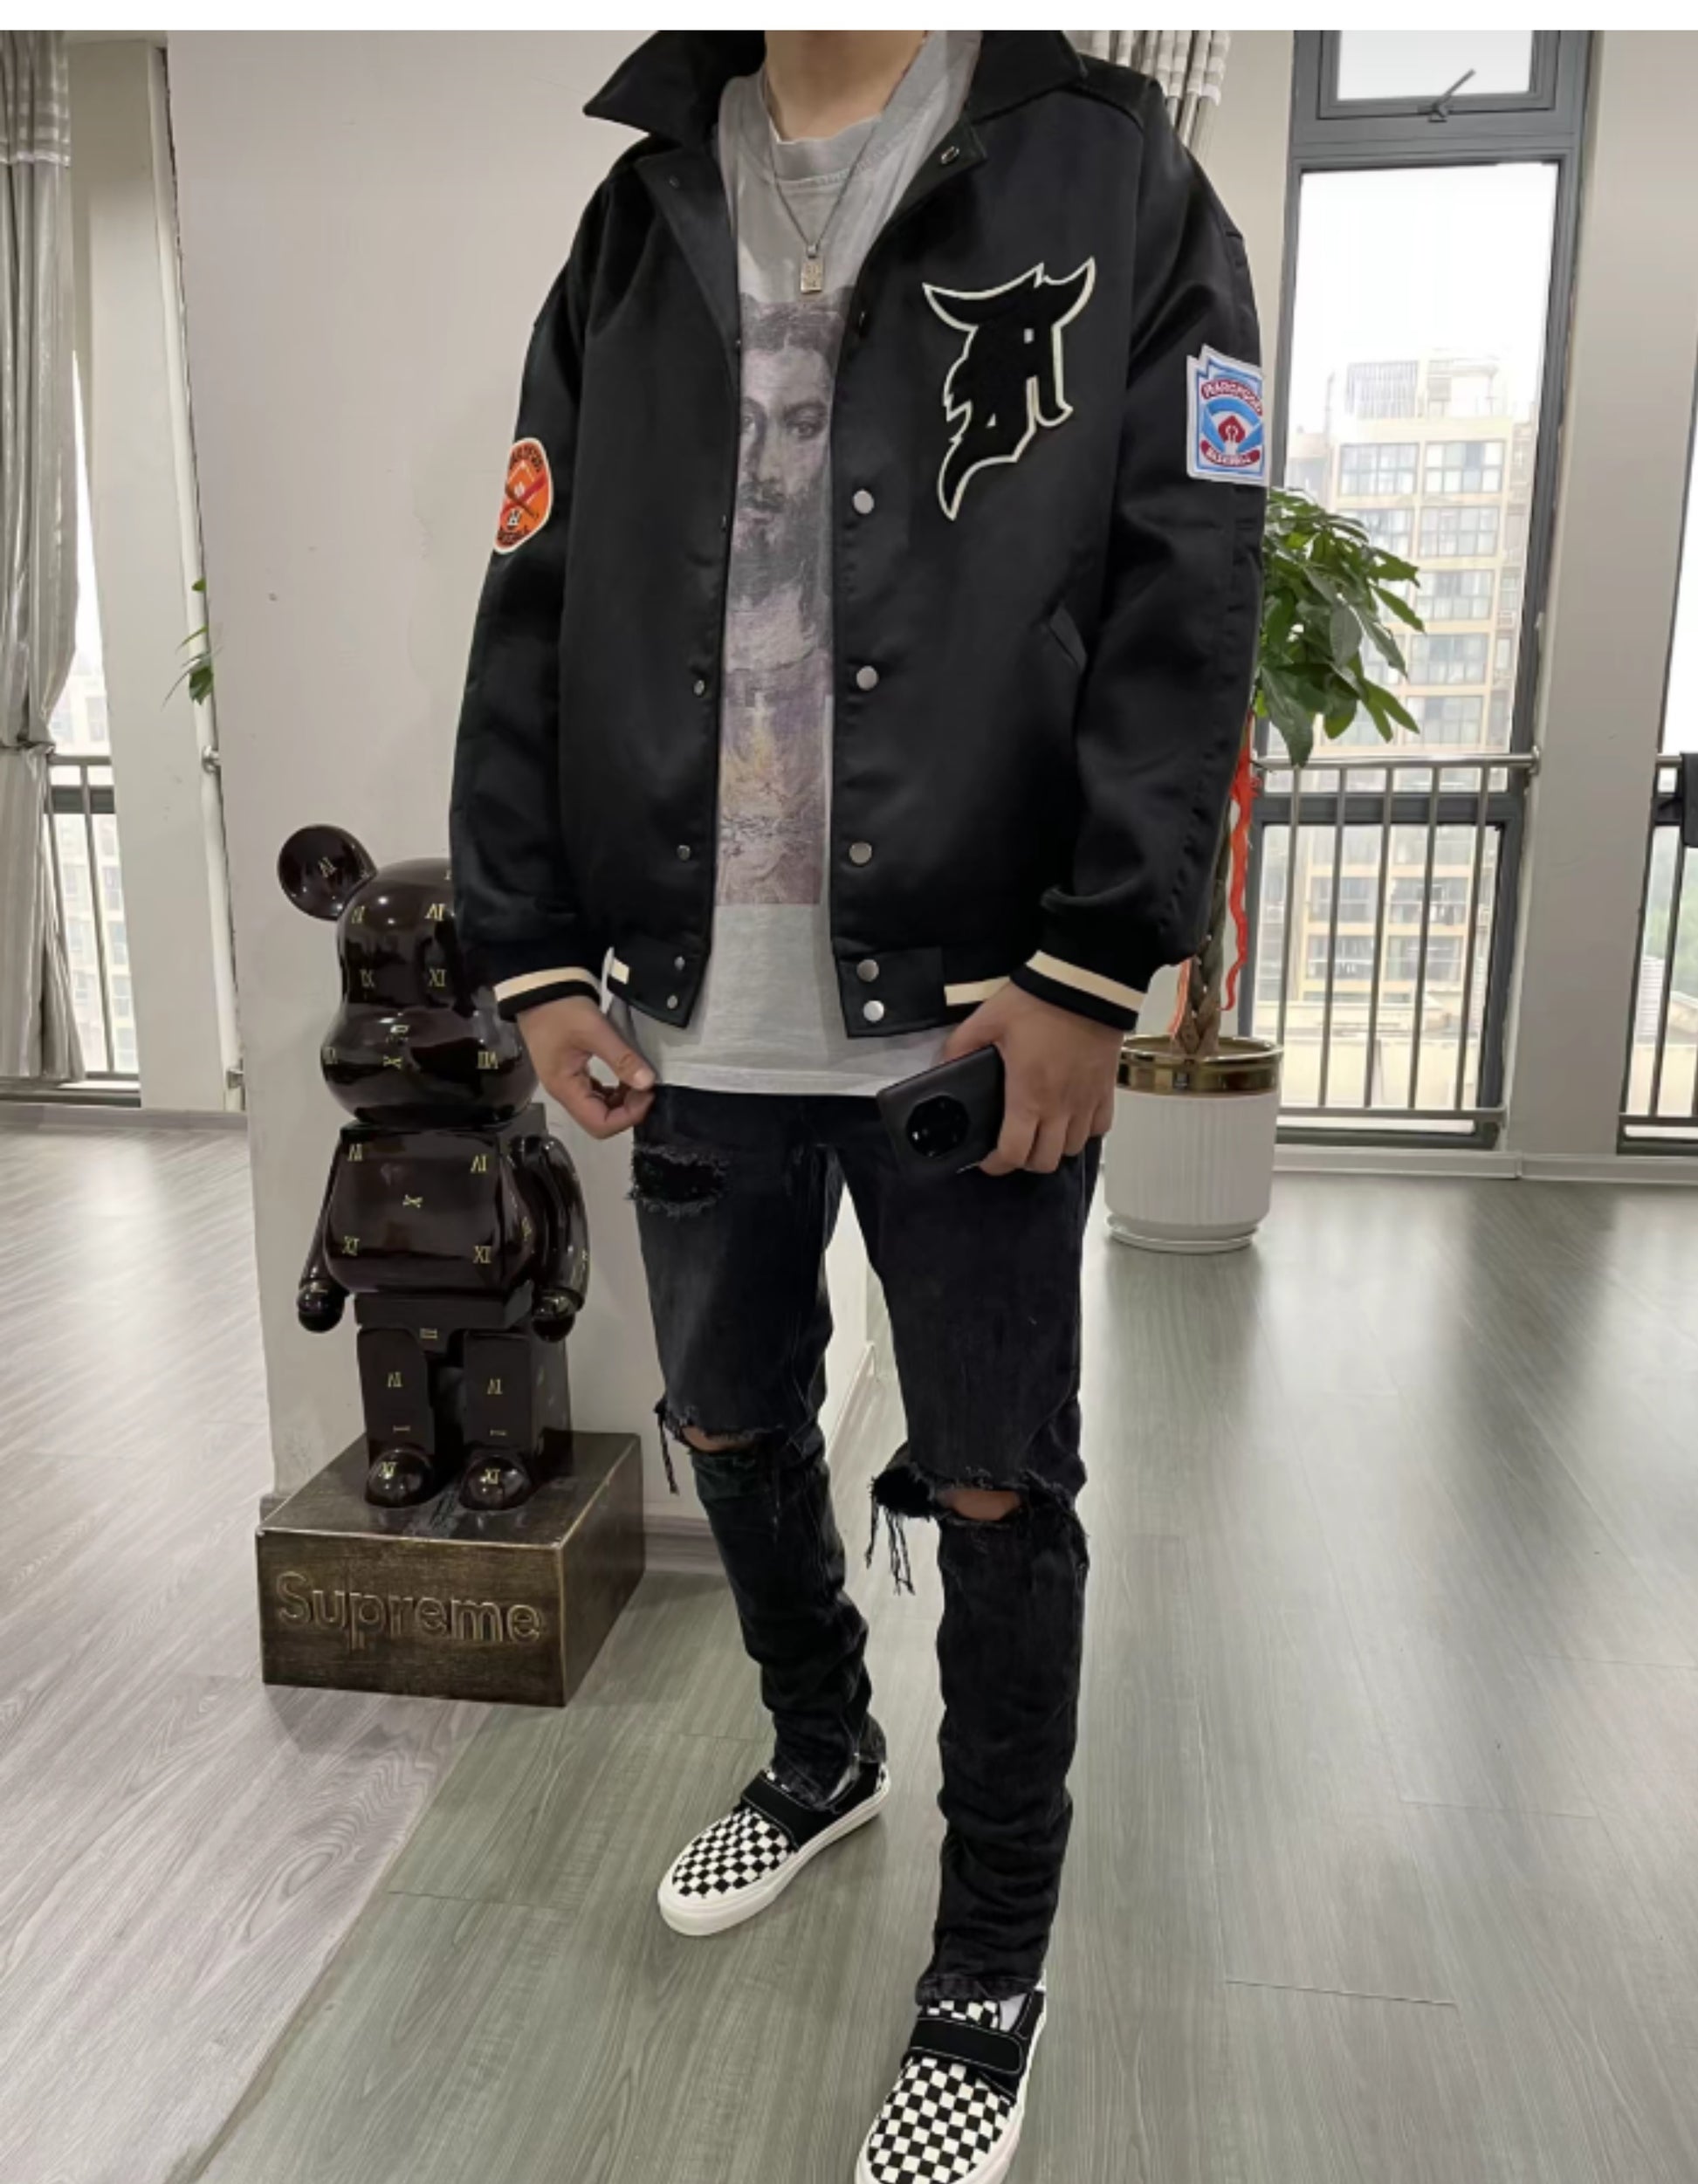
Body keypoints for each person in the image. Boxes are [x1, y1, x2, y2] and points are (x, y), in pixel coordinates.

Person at [450, 29, 1263, 2183]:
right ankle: (820, 1751)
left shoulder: (1110, 174)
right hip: (684, 1005)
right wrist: (532, 948)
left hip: (977, 1015)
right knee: (725, 1423)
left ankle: (988, 1961)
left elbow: (1193, 577)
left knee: (993, 1487)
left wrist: (1098, 959)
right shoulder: (637, 215)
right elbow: (532, 590)